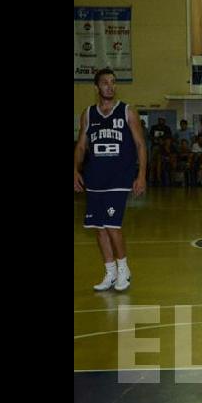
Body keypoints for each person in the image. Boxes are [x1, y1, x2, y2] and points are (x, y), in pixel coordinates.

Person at [74, 68, 148, 292]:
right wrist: (75, 170)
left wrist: (141, 174)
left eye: (113, 82)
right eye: (105, 82)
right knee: (99, 227)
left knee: (112, 224)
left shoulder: (127, 111)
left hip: (119, 176)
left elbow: (140, 145)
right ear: (96, 87)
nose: (110, 86)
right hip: (95, 176)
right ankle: (110, 272)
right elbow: (81, 145)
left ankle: (123, 269)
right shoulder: (88, 114)